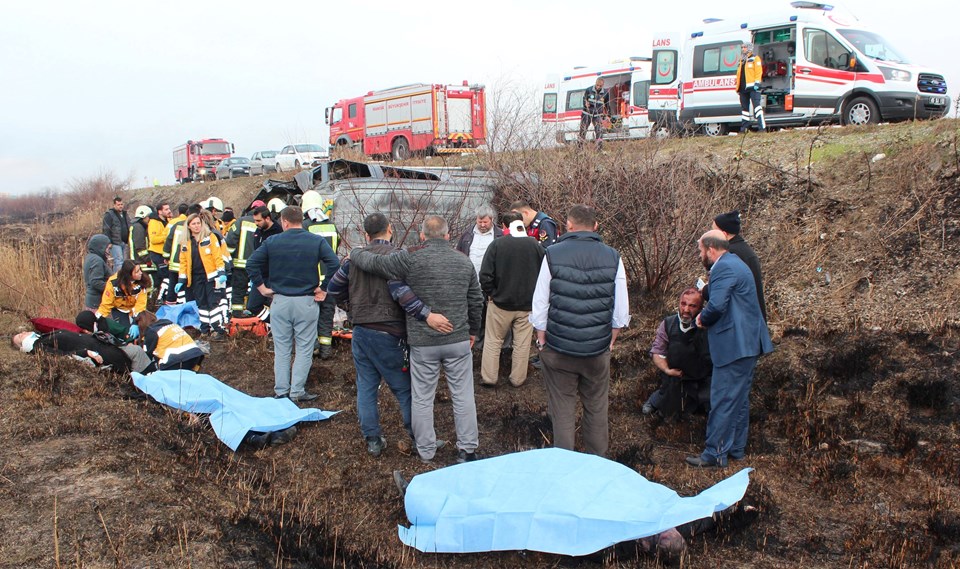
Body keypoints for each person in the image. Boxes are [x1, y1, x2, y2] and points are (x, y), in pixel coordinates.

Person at [350, 215, 484, 464]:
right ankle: (467, 450)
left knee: (422, 398)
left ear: (422, 236)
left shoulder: (409, 258)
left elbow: (375, 263)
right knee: (463, 395)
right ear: (447, 236)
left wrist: (355, 253)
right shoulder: (464, 262)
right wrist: (472, 331)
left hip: (423, 342)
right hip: (457, 339)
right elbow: (476, 300)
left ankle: (426, 451)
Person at [326, 212, 454, 457]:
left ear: (366, 234)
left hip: (361, 332)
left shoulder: (352, 261)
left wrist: (352, 307)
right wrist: (426, 315)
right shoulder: (398, 259)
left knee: (366, 388)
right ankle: (419, 439)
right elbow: (407, 295)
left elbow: (333, 289)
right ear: (390, 229)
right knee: (405, 390)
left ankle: (373, 440)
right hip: (390, 333)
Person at [530, 204, 630, 457]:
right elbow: (620, 310)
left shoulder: (552, 253)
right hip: (596, 349)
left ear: (568, 226)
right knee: (596, 407)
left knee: (562, 409)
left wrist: (541, 339)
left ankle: (565, 465)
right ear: (596, 226)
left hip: (559, 348)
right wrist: (610, 341)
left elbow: (540, 302)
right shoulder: (613, 256)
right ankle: (597, 464)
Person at [686, 230, 773, 468]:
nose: (700, 255)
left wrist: (702, 318)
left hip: (735, 345)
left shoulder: (723, 268)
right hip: (747, 343)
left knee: (723, 398)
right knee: (739, 398)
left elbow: (717, 305)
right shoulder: (736, 263)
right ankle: (735, 448)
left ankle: (714, 454)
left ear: (711, 250)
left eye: (701, 251)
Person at [246, 206, 340, 402]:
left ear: (284, 222)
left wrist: (262, 288)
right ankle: (297, 391)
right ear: (301, 221)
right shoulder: (315, 241)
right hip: (306, 302)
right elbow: (334, 264)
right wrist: (323, 287)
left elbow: (252, 263)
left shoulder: (273, 241)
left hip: (280, 301)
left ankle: (281, 392)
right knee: (304, 349)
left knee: (282, 349)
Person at [478, 213, 544, 387]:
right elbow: (545, 274)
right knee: (522, 344)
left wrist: (491, 292)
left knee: (493, 341)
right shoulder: (535, 246)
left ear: (503, 224)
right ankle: (517, 379)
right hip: (527, 305)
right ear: (522, 223)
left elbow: (484, 275)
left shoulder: (497, 245)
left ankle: (489, 378)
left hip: (500, 303)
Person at [642, 288, 712, 421]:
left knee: (708, 409)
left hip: (701, 379)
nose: (686, 309)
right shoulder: (668, 323)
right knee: (666, 407)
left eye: (692, 306)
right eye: (683, 304)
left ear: (700, 308)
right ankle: (656, 400)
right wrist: (667, 370)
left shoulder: (708, 326)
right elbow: (657, 351)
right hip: (675, 377)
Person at [455, 203, 501, 350]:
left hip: (490, 284)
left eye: (485, 222)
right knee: (473, 314)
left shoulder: (499, 236)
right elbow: (460, 254)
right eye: (479, 221)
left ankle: (487, 346)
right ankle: (473, 343)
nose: (482, 225)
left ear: (492, 219)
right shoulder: (467, 235)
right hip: (470, 283)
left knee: (489, 316)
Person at [301, 190, 340, 359]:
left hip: (311, 281)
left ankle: (313, 347)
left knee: (309, 317)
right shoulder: (332, 225)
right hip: (330, 280)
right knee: (326, 315)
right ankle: (326, 350)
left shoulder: (305, 226)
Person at [177, 213, 228, 338]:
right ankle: (205, 329)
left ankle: (218, 329)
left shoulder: (210, 237)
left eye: (198, 223)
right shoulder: (186, 242)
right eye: (193, 224)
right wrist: (181, 280)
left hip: (211, 276)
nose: (196, 226)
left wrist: (221, 272)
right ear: (188, 226)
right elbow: (183, 262)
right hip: (195, 277)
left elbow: (217, 256)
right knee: (201, 303)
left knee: (213, 303)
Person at [712, 210, 767, 321]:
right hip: (754, 318)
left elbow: (725, 291)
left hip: (742, 320)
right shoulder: (745, 250)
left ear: (724, 234)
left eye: (714, 231)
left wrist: (705, 290)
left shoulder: (730, 254)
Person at [13, 329, 136, 373]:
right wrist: (86, 352)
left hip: (102, 345)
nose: (23, 333)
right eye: (20, 336)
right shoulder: (38, 347)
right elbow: (62, 355)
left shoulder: (42, 337)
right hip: (99, 352)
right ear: (23, 345)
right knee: (135, 357)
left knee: (136, 354)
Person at [247, 204, 283, 321]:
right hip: (261, 275)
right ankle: (273, 322)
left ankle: (278, 327)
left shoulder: (278, 232)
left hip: (274, 275)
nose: (256, 223)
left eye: (258, 220)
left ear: (267, 218)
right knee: (253, 306)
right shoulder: (258, 231)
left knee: (278, 305)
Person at [224, 202, 261, 316]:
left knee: (239, 289)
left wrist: (228, 260)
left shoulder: (240, 221)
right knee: (259, 289)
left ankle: (237, 313)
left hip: (240, 265)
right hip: (257, 265)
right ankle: (257, 311)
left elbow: (230, 241)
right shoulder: (264, 223)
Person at [137, 311, 205, 372]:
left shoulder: (152, 331)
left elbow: (146, 355)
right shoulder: (168, 323)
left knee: (149, 369)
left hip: (179, 359)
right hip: (196, 354)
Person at [97, 260, 150, 329]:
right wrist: (97, 318)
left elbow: (140, 305)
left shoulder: (142, 282)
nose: (140, 273)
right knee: (124, 331)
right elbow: (106, 304)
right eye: (137, 272)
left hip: (135, 309)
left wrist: (135, 322)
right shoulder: (113, 283)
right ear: (129, 274)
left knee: (141, 328)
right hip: (119, 309)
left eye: (140, 270)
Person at [161, 203, 192, 303]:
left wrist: (166, 257)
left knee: (172, 287)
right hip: (186, 265)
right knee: (186, 289)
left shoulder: (176, 225)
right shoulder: (194, 227)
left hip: (174, 263)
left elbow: (168, 242)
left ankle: (170, 309)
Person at [735, 42, 766, 133]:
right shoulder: (741, 60)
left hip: (753, 87)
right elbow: (739, 74)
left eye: (744, 47)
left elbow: (758, 72)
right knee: (744, 110)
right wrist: (738, 87)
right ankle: (744, 129)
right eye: (742, 47)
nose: (743, 49)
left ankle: (762, 128)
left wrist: (757, 84)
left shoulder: (755, 58)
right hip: (743, 89)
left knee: (757, 107)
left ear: (749, 48)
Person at [147, 202, 171, 301]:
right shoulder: (154, 222)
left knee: (167, 276)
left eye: (169, 208)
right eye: (166, 209)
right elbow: (153, 239)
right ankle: (160, 299)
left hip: (165, 253)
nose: (169, 211)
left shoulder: (168, 221)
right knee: (164, 276)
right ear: (159, 212)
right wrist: (166, 237)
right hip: (157, 253)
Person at [83, 234, 112, 312]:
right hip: (97, 303)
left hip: (92, 301)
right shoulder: (97, 261)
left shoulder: (90, 257)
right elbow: (95, 282)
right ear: (101, 247)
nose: (109, 251)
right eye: (108, 248)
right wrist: (113, 288)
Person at [102, 196, 130, 273]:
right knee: (118, 262)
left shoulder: (125, 214)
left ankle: (124, 279)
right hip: (115, 242)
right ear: (114, 205)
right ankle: (117, 279)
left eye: (121, 204)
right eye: (118, 204)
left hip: (125, 242)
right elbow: (106, 229)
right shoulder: (109, 214)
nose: (120, 206)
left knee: (125, 262)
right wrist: (109, 242)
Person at [578, 77, 609, 145]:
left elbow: (607, 105)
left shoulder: (605, 93)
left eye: (600, 86)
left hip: (597, 115)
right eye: (597, 85)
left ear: (602, 85)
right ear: (595, 83)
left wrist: (608, 116)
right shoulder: (589, 90)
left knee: (599, 131)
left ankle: (599, 148)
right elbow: (584, 99)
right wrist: (585, 104)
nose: (598, 87)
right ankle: (579, 149)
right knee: (583, 130)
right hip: (587, 113)